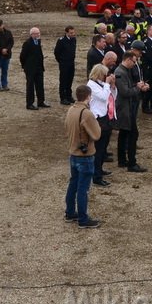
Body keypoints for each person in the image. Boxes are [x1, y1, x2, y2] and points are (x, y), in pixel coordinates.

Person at [65, 83, 102, 228]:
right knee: (83, 188)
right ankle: (83, 219)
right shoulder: (86, 113)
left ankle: (70, 212)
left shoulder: (71, 109)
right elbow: (97, 134)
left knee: (73, 184)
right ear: (88, 96)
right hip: (84, 156)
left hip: (73, 153)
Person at [113, 52, 148, 173]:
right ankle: (131, 163)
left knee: (124, 134)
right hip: (124, 109)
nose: (135, 64)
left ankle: (122, 160)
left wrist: (137, 85)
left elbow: (128, 87)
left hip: (127, 107)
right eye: (134, 61)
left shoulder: (124, 71)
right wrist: (138, 88)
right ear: (127, 60)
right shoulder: (120, 73)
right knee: (132, 135)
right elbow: (125, 92)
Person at [87, 64, 117, 187]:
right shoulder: (91, 85)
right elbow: (103, 96)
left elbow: (112, 97)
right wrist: (107, 84)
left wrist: (113, 86)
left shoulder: (101, 85)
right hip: (97, 119)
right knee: (98, 149)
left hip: (106, 117)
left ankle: (99, 169)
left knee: (103, 148)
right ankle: (96, 176)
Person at [19, 27, 47, 110]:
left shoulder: (38, 41)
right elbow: (22, 56)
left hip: (39, 67)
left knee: (40, 85)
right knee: (30, 86)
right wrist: (25, 66)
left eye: (39, 33)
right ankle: (30, 104)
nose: (38, 35)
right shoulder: (27, 43)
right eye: (36, 33)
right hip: (30, 69)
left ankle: (41, 101)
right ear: (32, 34)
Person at [54, 26, 77, 105]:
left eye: (73, 32)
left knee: (70, 80)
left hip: (71, 63)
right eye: (71, 33)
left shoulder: (73, 40)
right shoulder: (61, 41)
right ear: (66, 32)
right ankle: (63, 98)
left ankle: (69, 96)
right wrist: (61, 61)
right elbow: (57, 52)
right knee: (63, 81)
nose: (73, 34)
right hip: (64, 64)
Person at [0, 22, 14, 92]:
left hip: (7, 55)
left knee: (5, 71)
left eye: (0, 25)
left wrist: (7, 49)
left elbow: (11, 42)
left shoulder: (8, 32)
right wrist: (1, 50)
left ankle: (4, 85)